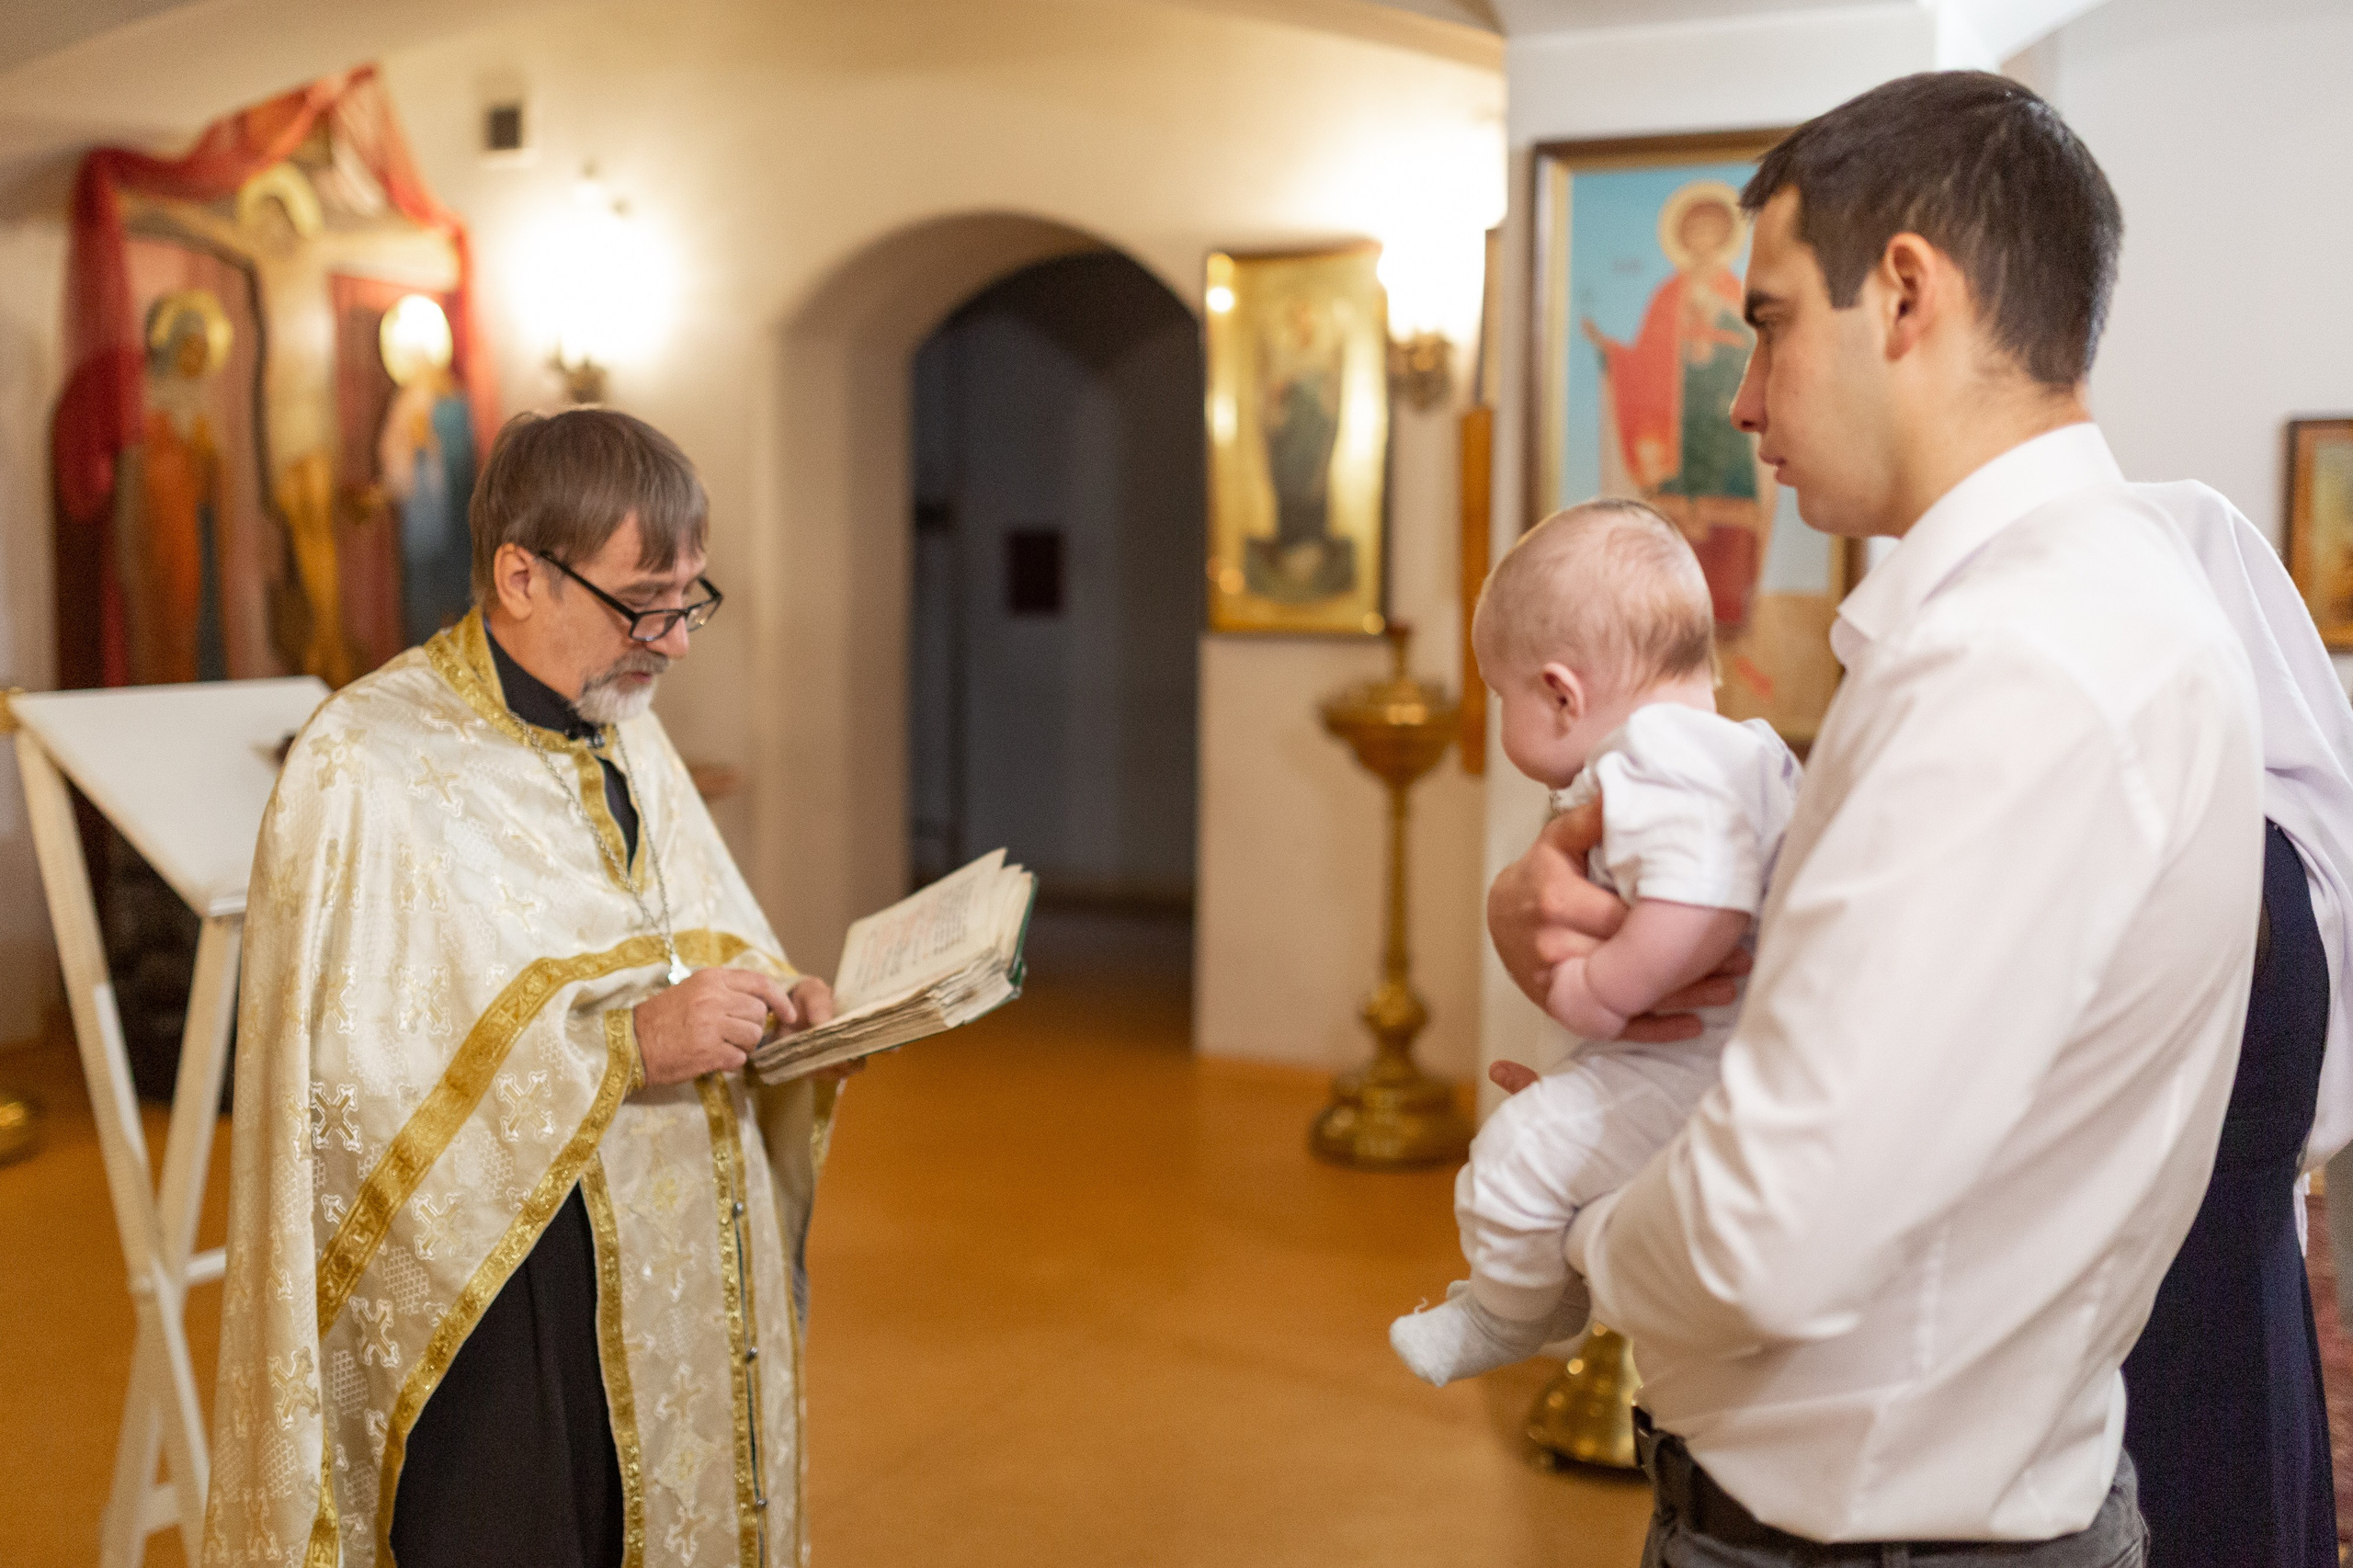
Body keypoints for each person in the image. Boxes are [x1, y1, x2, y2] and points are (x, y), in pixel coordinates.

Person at [1488, 72, 2263, 1563]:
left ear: (1903, 294)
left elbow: (1766, 1228)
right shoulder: (2044, 608)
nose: (1741, 397)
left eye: (1767, 319)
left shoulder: (2022, 659)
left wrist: (1577, 1207)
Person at [204, 408, 854, 1568]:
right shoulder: (366, 761)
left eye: (691, 596)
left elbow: (695, 926)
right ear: (520, 573)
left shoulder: (626, 730)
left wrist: (780, 1004)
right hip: (499, 1298)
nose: (677, 638)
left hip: (660, 1271)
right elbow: (344, 1077)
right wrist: (625, 1046)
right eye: (645, 599)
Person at [1391, 499, 1800, 1387]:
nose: (1505, 725)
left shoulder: (1654, 756)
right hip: (1724, 1065)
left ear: (1559, 693)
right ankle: (1551, 1289)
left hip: (1688, 1066)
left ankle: (1504, 1319)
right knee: (1558, 1154)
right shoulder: (1741, 750)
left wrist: (1596, 994)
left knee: (1509, 1160)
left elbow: (1704, 899)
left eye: (1503, 697)